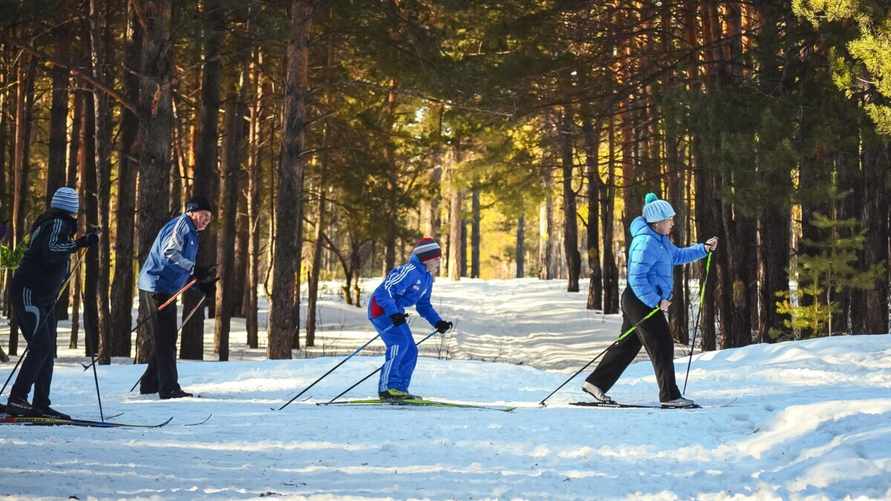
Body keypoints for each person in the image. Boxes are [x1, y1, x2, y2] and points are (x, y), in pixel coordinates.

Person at [583, 193, 718, 408]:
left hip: (640, 300)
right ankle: (670, 396)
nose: (672, 223)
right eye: (669, 220)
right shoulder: (645, 242)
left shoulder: (661, 241)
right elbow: (636, 277)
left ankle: (595, 383)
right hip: (640, 300)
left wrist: (703, 249)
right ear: (657, 223)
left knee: (627, 346)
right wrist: (656, 301)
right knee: (662, 344)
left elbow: (678, 256)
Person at [5, 187, 99, 419]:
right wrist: (81, 243)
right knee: (40, 347)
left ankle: (40, 403)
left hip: (43, 298)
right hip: (29, 293)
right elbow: (51, 250)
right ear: (71, 207)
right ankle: (18, 398)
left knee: (47, 351)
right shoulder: (57, 222)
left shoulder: (56, 224)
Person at [136, 195, 215, 399]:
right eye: (203, 215)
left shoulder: (192, 231)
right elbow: (169, 253)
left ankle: (150, 383)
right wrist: (195, 268)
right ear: (191, 212)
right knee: (166, 338)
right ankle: (169, 388)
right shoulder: (182, 225)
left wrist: (200, 283)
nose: (206, 220)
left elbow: (181, 264)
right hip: (157, 286)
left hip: (166, 287)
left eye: (210, 217)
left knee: (167, 337)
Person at [368, 237, 452, 400]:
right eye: (436, 257)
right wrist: (393, 312)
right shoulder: (410, 271)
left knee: (411, 349)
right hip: (381, 309)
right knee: (399, 344)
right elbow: (384, 291)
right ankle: (387, 388)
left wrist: (438, 322)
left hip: (395, 311)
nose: (439, 261)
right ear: (426, 258)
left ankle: (399, 389)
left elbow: (424, 305)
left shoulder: (427, 278)